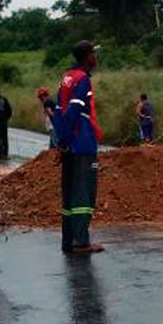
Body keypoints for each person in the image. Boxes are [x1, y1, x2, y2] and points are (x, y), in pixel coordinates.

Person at [55, 40, 105, 255]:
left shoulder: (67, 78)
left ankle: (69, 239)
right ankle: (81, 241)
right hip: (81, 143)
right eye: (94, 54)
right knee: (84, 194)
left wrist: (61, 141)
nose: (96, 58)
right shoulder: (82, 80)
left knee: (69, 194)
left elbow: (59, 110)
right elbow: (74, 111)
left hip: (69, 144)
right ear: (88, 57)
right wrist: (67, 140)